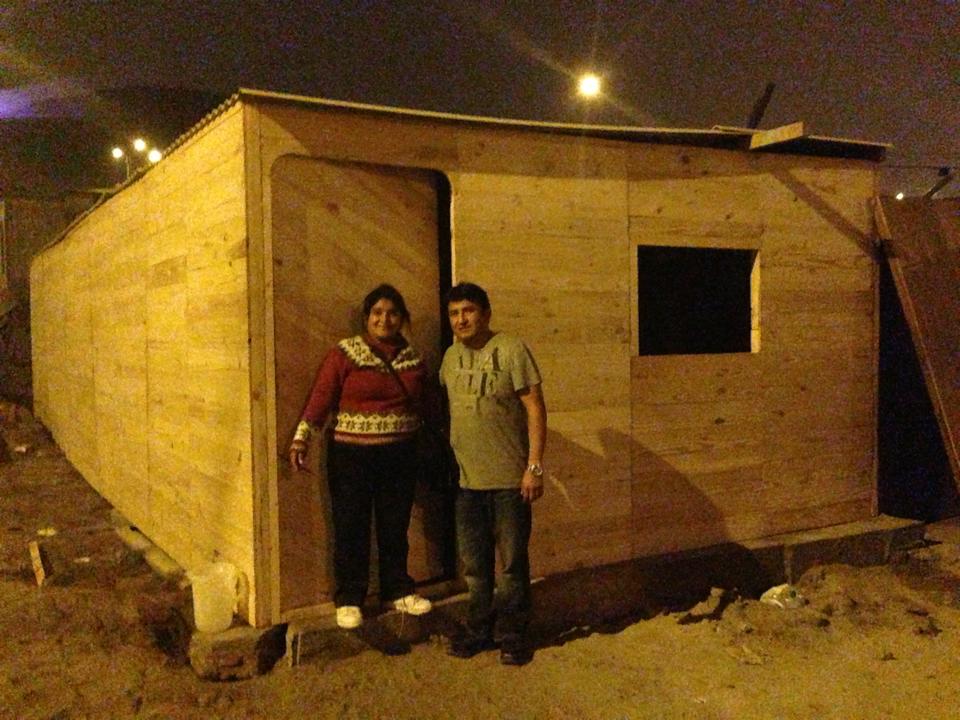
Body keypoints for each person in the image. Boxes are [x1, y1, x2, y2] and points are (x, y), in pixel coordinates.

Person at [288, 283, 433, 630]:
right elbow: (322, 396)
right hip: (350, 456)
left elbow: (428, 405)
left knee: (395, 525)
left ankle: (397, 589)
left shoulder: (413, 359)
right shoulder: (345, 353)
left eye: (392, 313)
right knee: (350, 525)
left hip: (400, 454)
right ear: (367, 317)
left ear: (402, 318)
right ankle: (350, 598)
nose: (385, 319)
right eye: (377, 313)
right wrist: (302, 437)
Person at [440, 282, 546, 666]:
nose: (461, 320)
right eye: (454, 313)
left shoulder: (512, 350)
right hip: (466, 483)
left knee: (512, 566)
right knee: (475, 567)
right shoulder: (450, 357)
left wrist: (534, 467)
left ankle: (514, 636)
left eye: (468, 311)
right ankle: (479, 630)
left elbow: (535, 407)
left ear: (485, 313)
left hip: (509, 482)